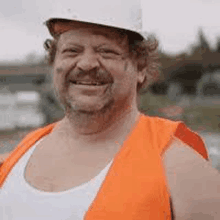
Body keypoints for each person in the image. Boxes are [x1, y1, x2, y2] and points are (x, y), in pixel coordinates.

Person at [0, 0, 220, 219]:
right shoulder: (21, 154)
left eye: (106, 51)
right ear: (54, 61)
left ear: (140, 67)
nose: (86, 64)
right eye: (72, 50)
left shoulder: (181, 169)